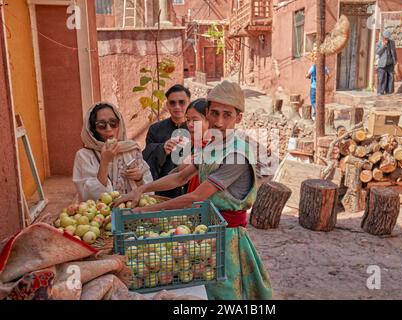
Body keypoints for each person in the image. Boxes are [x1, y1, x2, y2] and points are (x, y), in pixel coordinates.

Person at [114, 81, 273, 300]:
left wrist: (144, 212)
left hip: (227, 238)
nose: (218, 121)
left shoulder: (236, 154)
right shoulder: (215, 145)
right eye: (214, 113)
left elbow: (196, 197)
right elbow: (180, 176)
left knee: (224, 293)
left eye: (227, 115)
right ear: (207, 113)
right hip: (207, 230)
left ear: (239, 118)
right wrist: (141, 190)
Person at [73, 102, 153, 201]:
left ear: (120, 124)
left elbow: (149, 190)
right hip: (103, 215)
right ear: (92, 129)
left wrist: (139, 178)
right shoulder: (84, 155)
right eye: (101, 125)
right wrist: (104, 162)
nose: (109, 129)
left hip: (132, 212)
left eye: (113, 123)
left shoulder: (131, 149)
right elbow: (89, 197)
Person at [142, 85, 191, 198]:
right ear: (167, 105)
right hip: (164, 191)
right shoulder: (155, 129)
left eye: (182, 102)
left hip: (190, 190)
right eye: (172, 103)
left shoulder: (196, 129)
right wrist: (162, 149)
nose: (177, 106)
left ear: (189, 103)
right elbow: (147, 160)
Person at [306, 52, 330, 119]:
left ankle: (317, 114)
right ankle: (315, 114)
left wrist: (307, 75)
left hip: (313, 88)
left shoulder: (313, 67)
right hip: (321, 88)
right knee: (319, 101)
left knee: (313, 101)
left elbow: (307, 75)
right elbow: (329, 76)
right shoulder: (324, 67)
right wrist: (325, 83)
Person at [376, 30, 398, 95]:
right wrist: (383, 46)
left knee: (390, 77)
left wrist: (395, 60)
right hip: (382, 64)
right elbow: (377, 52)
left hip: (390, 63)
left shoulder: (392, 43)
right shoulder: (379, 43)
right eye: (385, 38)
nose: (386, 39)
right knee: (381, 78)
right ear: (382, 37)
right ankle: (380, 92)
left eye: (387, 38)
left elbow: (394, 52)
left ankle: (389, 92)